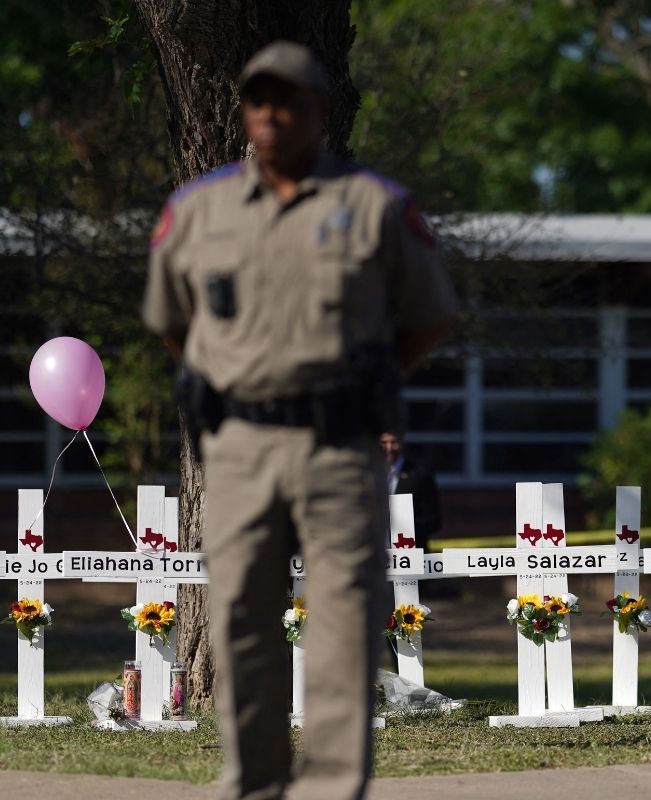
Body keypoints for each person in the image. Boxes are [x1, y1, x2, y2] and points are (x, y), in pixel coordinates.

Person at [142, 41, 457, 800]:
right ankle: (253, 782)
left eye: (289, 101)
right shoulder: (198, 208)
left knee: (345, 620)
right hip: (240, 445)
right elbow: (169, 318)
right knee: (242, 614)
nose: (272, 115)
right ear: (245, 111)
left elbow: (429, 318)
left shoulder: (376, 206)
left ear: (321, 110)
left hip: (340, 444)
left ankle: (330, 787)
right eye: (259, 101)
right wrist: (240, 379)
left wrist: (353, 383)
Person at [379, 430, 442, 549]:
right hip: (375, 556)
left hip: (410, 555)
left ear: (402, 443)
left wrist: (402, 524)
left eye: (394, 442)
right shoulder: (366, 474)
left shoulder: (420, 474)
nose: (389, 448)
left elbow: (434, 521)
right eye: (384, 442)